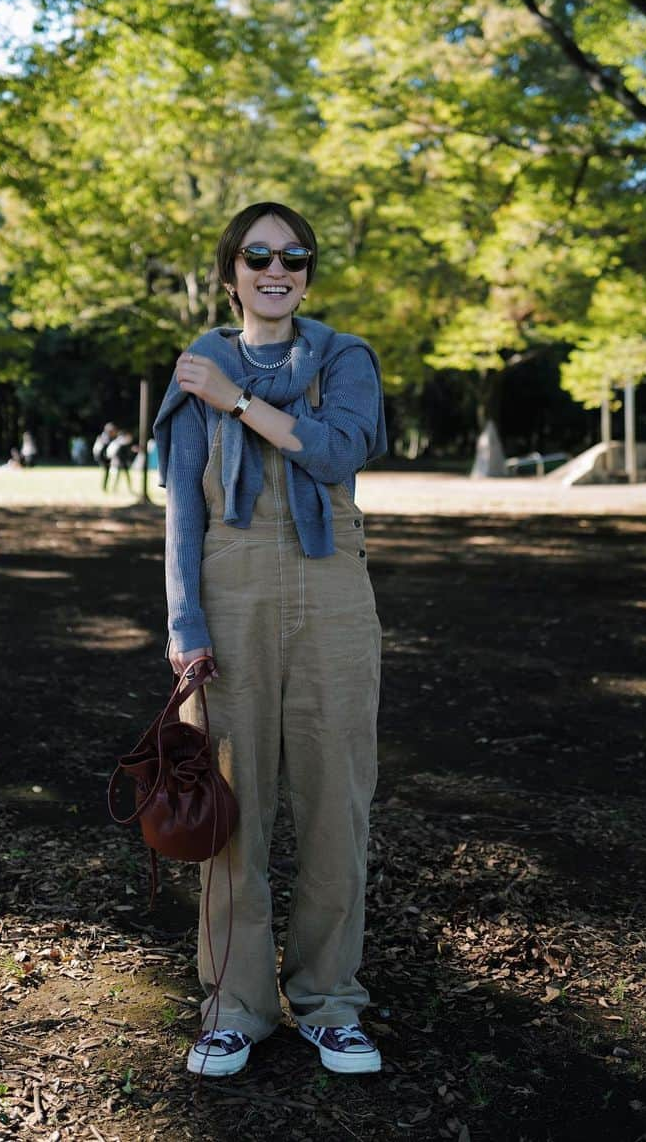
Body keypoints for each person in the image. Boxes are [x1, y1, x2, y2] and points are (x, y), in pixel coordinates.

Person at [153, 202, 387, 1079]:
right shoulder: (196, 368)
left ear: (308, 271)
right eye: (257, 255)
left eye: (293, 255)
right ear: (231, 273)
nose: (275, 267)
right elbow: (181, 509)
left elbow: (336, 453)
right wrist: (184, 627)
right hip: (230, 578)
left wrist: (240, 401)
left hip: (333, 589)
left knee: (337, 801)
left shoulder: (344, 358)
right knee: (230, 806)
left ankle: (331, 1001)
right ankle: (236, 1007)